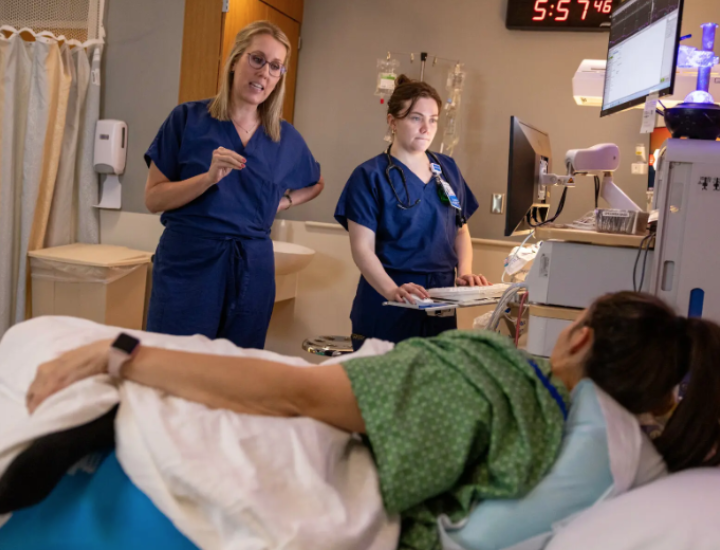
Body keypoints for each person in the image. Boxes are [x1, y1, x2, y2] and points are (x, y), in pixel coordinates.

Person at [25, 292, 720, 547]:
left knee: (49, 346)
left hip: (275, 477)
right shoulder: (570, 435)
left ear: (578, 338)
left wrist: (120, 353)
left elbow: (295, 399)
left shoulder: (483, 388)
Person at [143, 21, 323, 349]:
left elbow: (315, 183)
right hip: (189, 262)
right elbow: (153, 199)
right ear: (236, 59)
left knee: (237, 372)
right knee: (175, 366)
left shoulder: (285, 138)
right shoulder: (187, 120)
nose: (264, 72)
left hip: (251, 269)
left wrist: (280, 203)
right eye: (256, 59)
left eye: (275, 66)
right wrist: (208, 178)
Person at [334, 75, 488, 350]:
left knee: (431, 388)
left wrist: (465, 272)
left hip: (440, 302)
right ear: (392, 122)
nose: (426, 128)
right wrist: (392, 290)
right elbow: (362, 250)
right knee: (384, 389)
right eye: (416, 118)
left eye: (433, 119)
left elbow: (461, 229)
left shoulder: (447, 169)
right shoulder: (369, 176)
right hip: (388, 303)